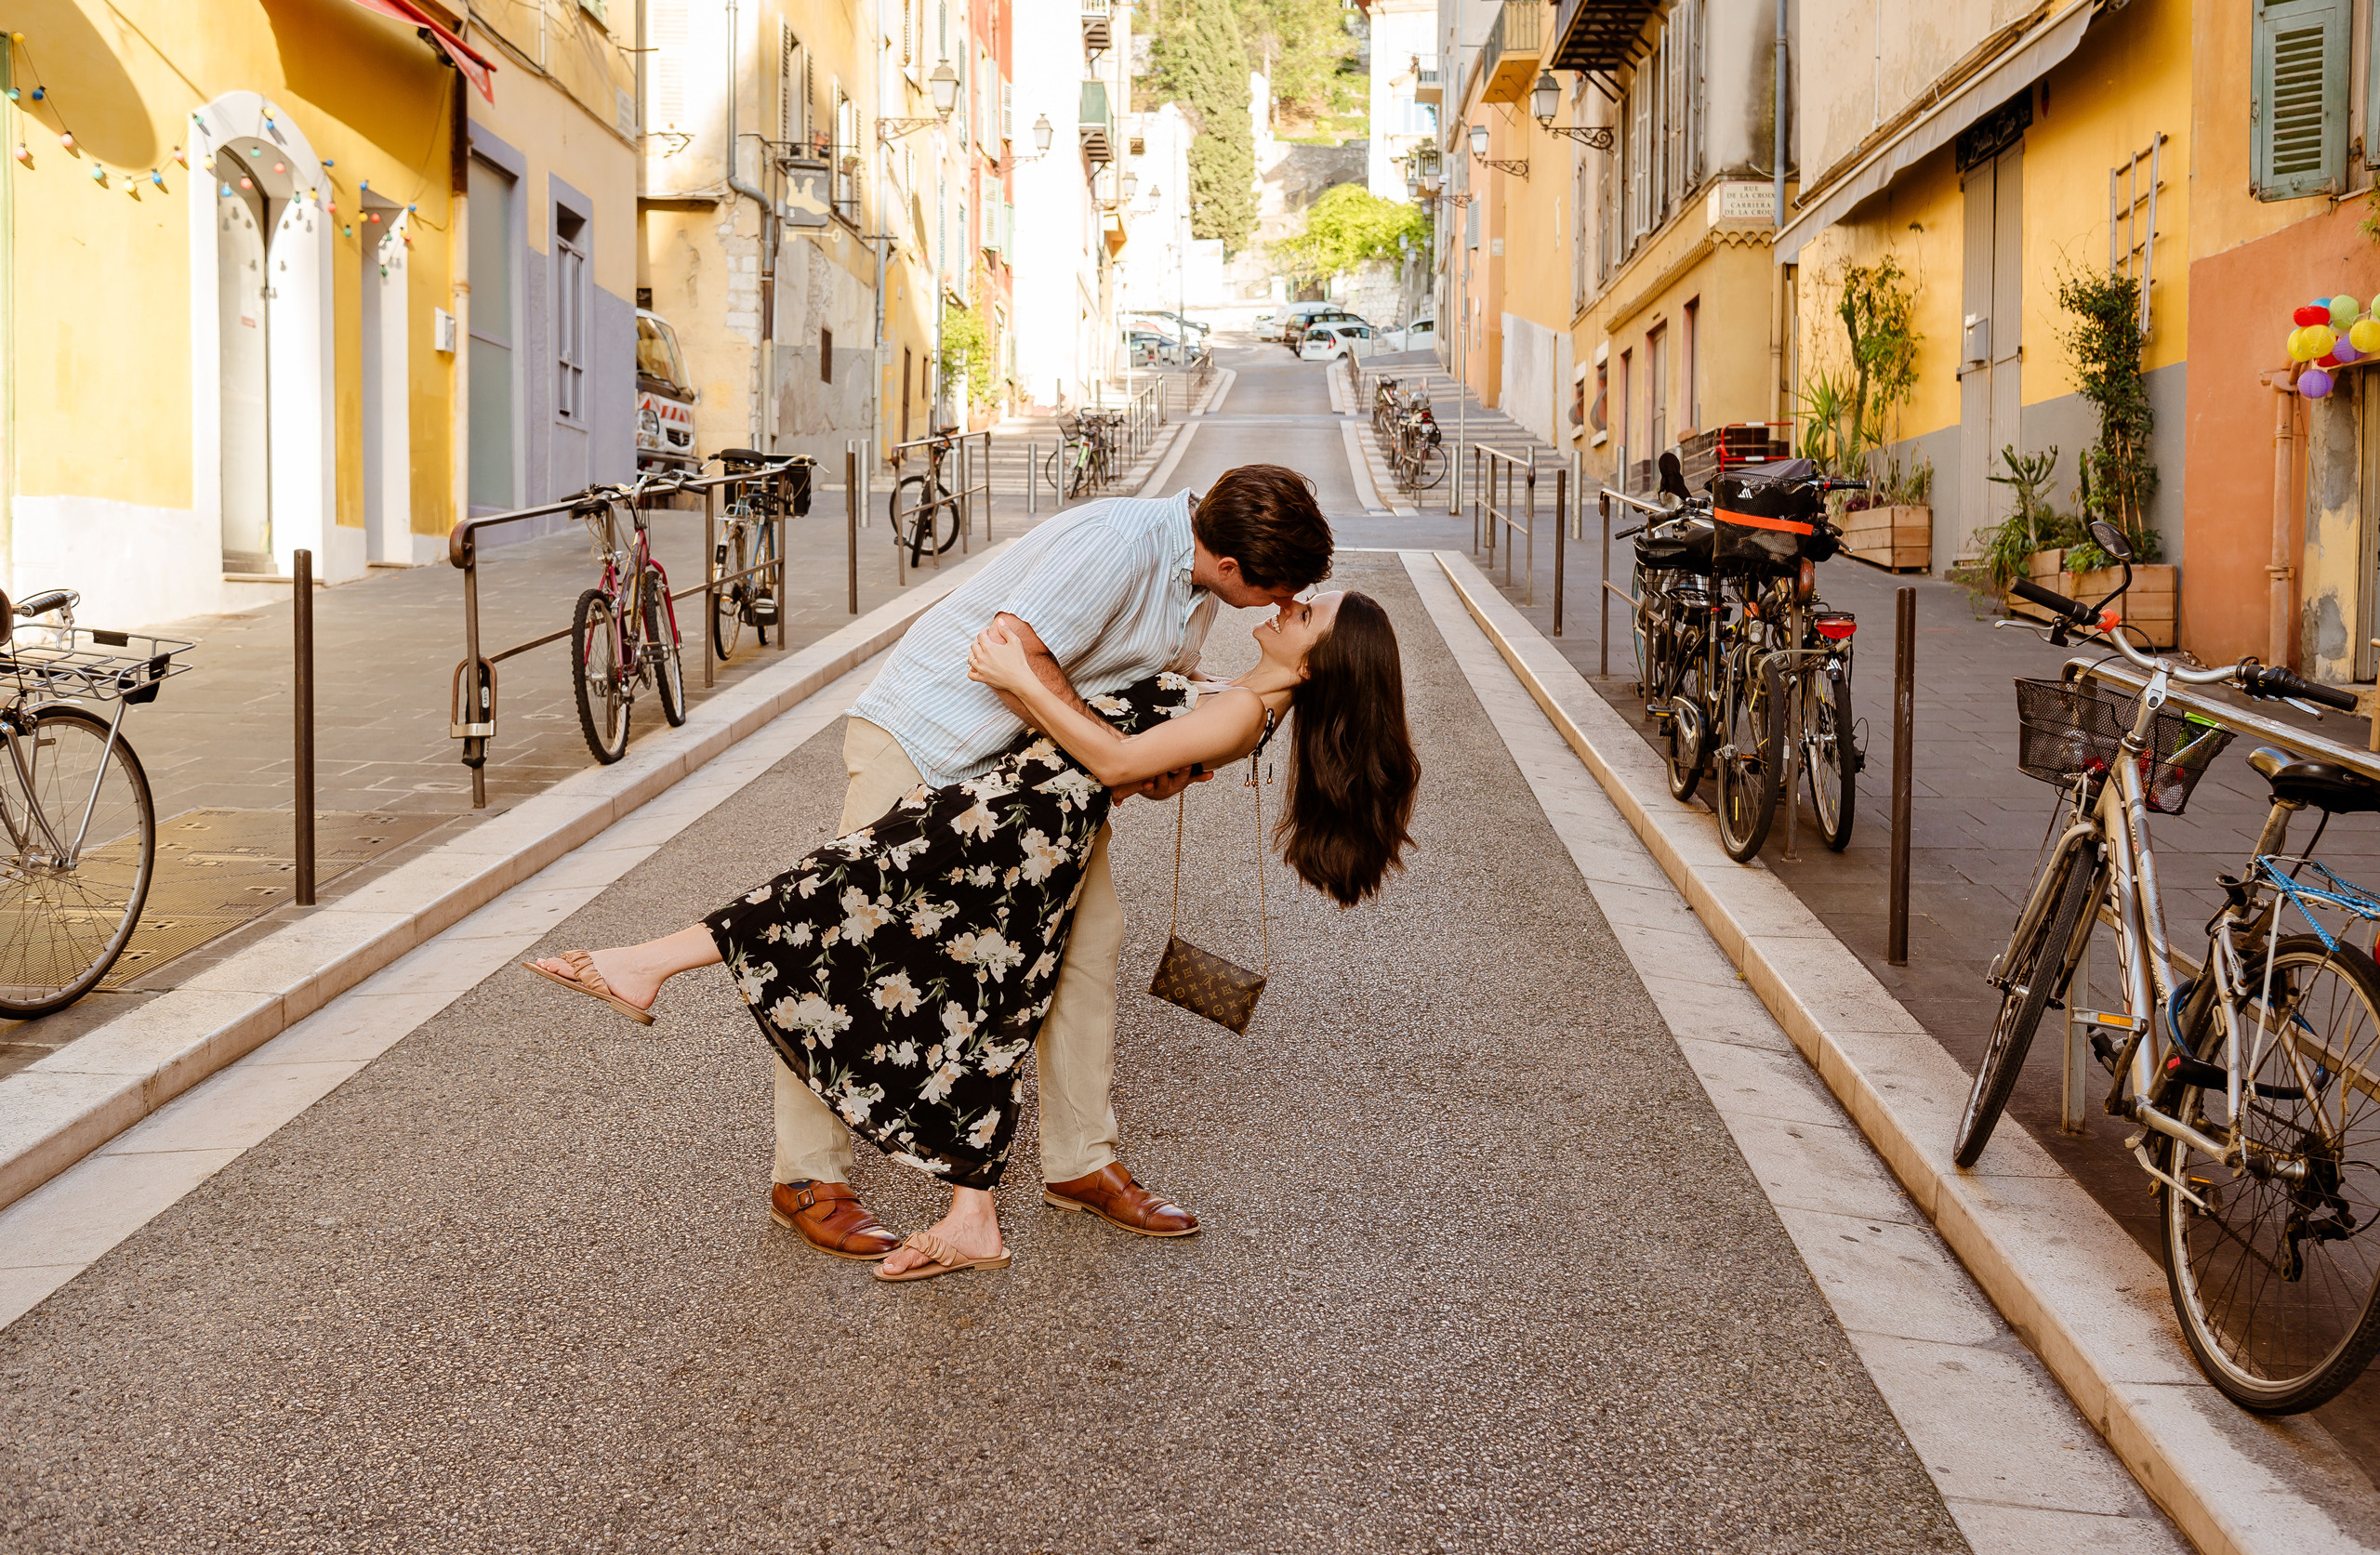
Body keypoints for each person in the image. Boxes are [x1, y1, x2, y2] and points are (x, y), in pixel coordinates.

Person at [528, 466, 1341, 1267]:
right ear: (1234, 565)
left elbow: (1125, 694)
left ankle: (1080, 1160)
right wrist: (1119, 758)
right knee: (846, 938)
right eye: (1277, 591)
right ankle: (807, 1179)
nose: (1279, 607)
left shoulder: (1196, 585)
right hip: (931, 740)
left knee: (1086, 947)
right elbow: (1015, 650)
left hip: (1028, 783)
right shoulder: (1120, 544)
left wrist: (1146, 757)